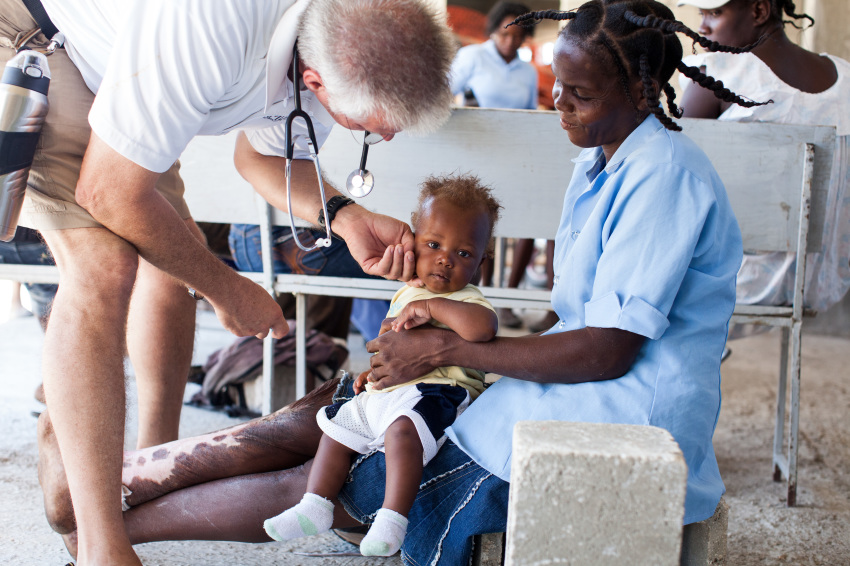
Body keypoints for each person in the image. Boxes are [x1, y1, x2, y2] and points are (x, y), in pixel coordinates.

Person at [39, 1, 759, 564]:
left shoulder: (663, 176)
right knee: (331, 409)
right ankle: (119, 482)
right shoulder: (602, 162)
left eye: (577, 95)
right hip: (574, 389)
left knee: (350, 472)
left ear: (638, 86)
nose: (560, 108)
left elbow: (606, 349)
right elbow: (576, 327)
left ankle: (118, 516)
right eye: (560, 90)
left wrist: (455, 351)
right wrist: (443, 339)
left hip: (617, 409)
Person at [1, 0, 456, 563]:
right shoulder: (208, 20)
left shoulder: (323, 43)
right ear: (315, 80)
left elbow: (261, 156)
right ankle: (101, 543)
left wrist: (344, 216)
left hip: (115, 65)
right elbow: (109, 193)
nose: (377, 141)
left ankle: (140, 466)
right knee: (104, 266)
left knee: (168, 275)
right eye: (367, 129)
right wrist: (229, 289)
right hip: (38, 36)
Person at [263, 174, 501, 557]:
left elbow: (483, 330)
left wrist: (430, 307)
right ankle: (316, 504)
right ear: (412, 245)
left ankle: (392, 518)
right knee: (338, 428)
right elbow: (387, 345)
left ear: (480, 264)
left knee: (402, 435)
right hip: (388, 392)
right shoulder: (406, 290)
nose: (445, 258)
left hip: (438, 394)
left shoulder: (468, 299)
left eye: (464, 254)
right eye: (434, 244)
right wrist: (372, 372)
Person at [677, 0, 850, 315]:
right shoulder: (846, 80)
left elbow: (669, 166)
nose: (702, 26)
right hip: (820, 280)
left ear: (759, 11)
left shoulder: (717, 76)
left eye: (714, 13)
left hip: (728, 281)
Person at [449, 1, 556, 331]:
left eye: (519, 34)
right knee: (480, 227)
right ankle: (473, 298)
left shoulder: (525, 71)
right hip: (477, 152)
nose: (510, 40)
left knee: (521, 224)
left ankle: (505, 298)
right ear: (494, 28)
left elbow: (526, 114)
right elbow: (445, 95)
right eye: (505, 31)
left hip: (514, 154)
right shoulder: (473, 57)